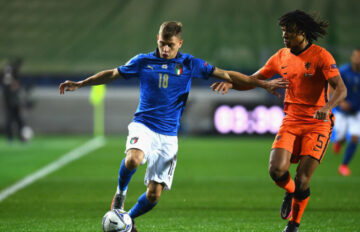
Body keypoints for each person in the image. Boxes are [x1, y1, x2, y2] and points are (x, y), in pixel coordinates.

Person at [59, 21, 288, 231]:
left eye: (169, 45)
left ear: (180, 43)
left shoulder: (190, 64)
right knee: (133, 159)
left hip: (168, 136)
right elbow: (112, 74)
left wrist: (262, 84)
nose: (165, 50)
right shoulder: (143, 61)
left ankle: (127, 219)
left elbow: (227, 74)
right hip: (144, 125)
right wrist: (81, 83)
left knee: (153, 195)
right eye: (161, 44)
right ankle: (120, 195)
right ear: (156, 39)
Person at [211, 10, 347, 232]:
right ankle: (291, 191)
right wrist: (231, 83)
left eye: (289, 32)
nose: (284, 36)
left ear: (302, 33)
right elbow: (253, 80)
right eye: (283, 32)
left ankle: (293, 225)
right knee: (276, 170)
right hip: (291, 120)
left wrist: (327, 107)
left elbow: (341, 89)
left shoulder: (321, 56)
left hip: (317, 123)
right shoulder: (280, 56)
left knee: (303, 178)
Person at [333, 48, 360, 176]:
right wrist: (341, 102)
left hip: (356, 112)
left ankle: (344, 165)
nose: (357, 59)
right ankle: (339, 142)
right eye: (355, 56)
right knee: (341, 137)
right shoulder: (343, 71)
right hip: (342, 111)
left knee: (355, 138)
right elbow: (332, 86)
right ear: (352, 57)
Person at [1, 58, 27, 143]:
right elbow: (7, 88)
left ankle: (21, 138)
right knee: (9, 121)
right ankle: (10, 138)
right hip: (9, 103)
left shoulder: (14, 76)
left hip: (16, 103)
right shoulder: (6, 81)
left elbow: (17, 87)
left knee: (20, 121)